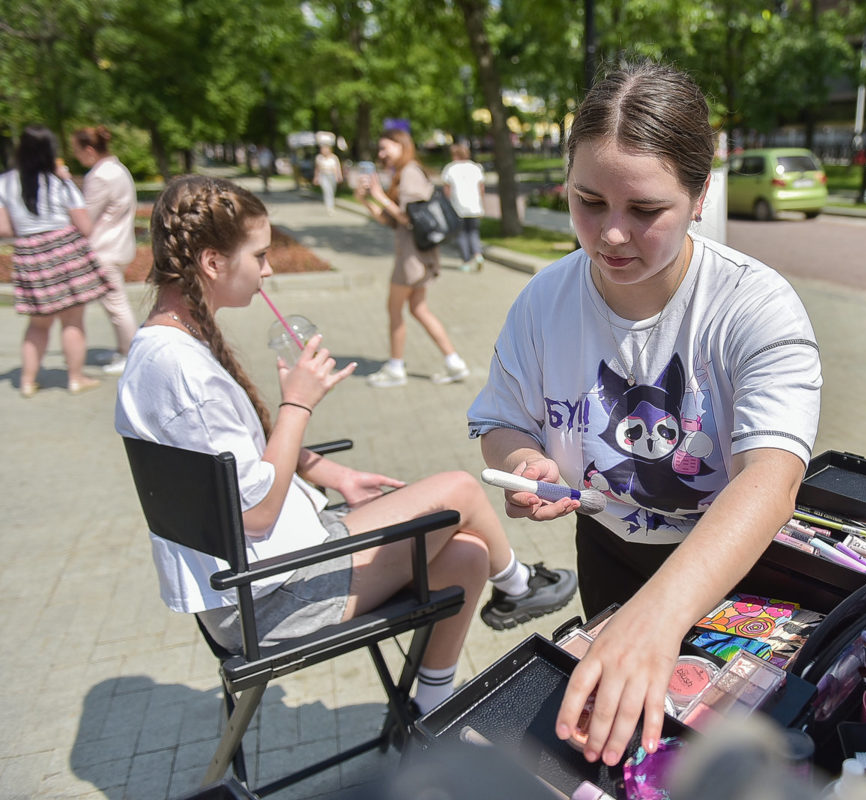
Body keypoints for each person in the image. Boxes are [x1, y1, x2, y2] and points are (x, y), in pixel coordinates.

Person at [467, 61, 822, 766]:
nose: (610, 236)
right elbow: (499, 422)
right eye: (587, 202)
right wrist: (523, 462)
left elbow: (770, 480)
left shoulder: (754, 305)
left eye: (644, 210)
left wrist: (656, 617)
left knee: (721, 760)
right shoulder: (543, 300)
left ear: (699, 196)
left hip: (732, 566)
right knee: (622, 757)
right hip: (605, 553)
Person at [114, 175, 577, 712]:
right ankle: (520, 586)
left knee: (469, 552)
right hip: (265, 597)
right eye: (259, 255)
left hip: (265, 572)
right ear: (213, 263)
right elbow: (258, 513)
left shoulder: (163, 349)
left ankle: (430, 708)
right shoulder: (183, 371)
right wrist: (298, 404)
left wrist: (333, 475)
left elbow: (239, 460)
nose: (268, 270)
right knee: (457, 489)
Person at [0, 124, 112, 397]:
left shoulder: (5, 182)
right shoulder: (60, 182)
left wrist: (29, 233)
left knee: (38, 324)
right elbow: (84, 226)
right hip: (65, 251)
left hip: (29, 253)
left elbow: (3, 230)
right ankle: (75, 378)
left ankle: (27, 381)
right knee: (72, 321)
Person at [356, 129, 470, 387]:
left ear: (401, 145)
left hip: (412, 258)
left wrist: (380, 195)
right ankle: (454, 363)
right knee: (418, 308)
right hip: (418, 254)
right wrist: (367, 201)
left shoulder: (409, 173)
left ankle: (396, 368)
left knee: (394, 309)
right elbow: (393, 221)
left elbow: (409, 218)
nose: (381, 154)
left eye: (386, 148)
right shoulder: (404, 173)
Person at [71, 125, 139, 375]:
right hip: (119, 246)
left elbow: (85, 219)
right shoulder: (117, 169)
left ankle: (129, 352)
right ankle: (123, 348)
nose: (75, 155)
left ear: (89, 150)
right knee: (116, 303)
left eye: (76, 150)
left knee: (116, 305)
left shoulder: (99, 176)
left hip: (104, 249)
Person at [441, 142, 486, 271]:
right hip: (474, 205)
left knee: (461, 234)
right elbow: (481, 188)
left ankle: (466, 261)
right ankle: (478, 254)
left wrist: (447, 205)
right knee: (473, 232)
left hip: (458, 206)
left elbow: (447, 190)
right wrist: (481, 204)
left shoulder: (450, 168)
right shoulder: (475, 167)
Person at [313, 143, 343, 215]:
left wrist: (339, 176)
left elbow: (337, 167)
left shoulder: (334, 157)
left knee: (332, 191)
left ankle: (331, 205)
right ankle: (329, 207)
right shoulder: (319, 158)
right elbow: (317, 169)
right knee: (327, 191)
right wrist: (316, 177)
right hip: (323, 176)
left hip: (332, 175)